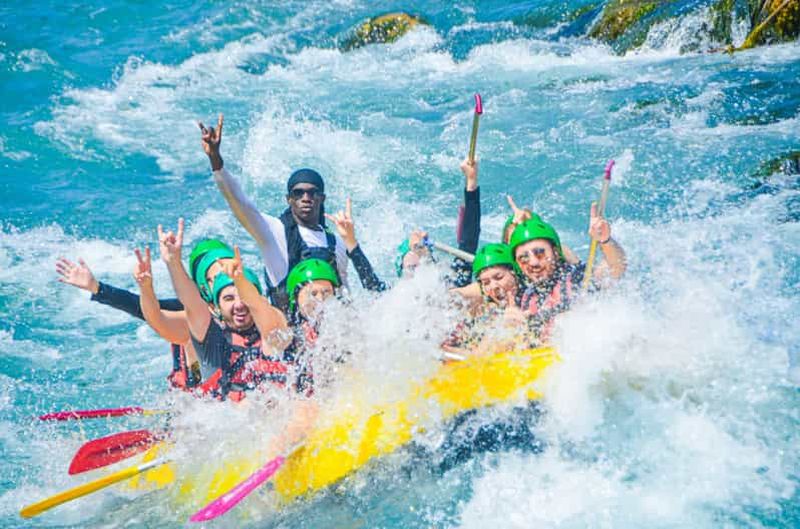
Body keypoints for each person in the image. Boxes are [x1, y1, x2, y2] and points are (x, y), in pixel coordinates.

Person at [198, 114, 383, 313]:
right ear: (289, 199)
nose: (306, 197)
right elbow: (239, 203)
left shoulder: (335, 243)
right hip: (288, 336)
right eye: (298, 193)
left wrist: (352, 244)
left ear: (322, 199)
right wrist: (216, 160)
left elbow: (348, 298)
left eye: (312, 193)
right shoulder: (274, 233)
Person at [158, 219, 292, 402]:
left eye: (243, 296)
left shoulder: (273, 325)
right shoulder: (212, 341)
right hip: (230, 417)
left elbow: (262, 311)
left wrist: (240, 280)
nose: (239, 304)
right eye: (229, 298)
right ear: (215, 306)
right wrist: (174, 264)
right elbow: (192, 304)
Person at [509, 205, 626, 342]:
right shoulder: (527, 296)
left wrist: (605, 241)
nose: (533, 262)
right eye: (523, 258)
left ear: (556, 253)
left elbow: (615, 268)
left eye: (540, 253)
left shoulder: (577, 277)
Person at [396, 158, 481, 287]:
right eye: (412, 268)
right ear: (400, 272)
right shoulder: (389, 297)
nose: (418, 273)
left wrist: (471, 182)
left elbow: (468, 242)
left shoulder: (452, 289)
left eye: (422, 264)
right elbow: (369, 280)